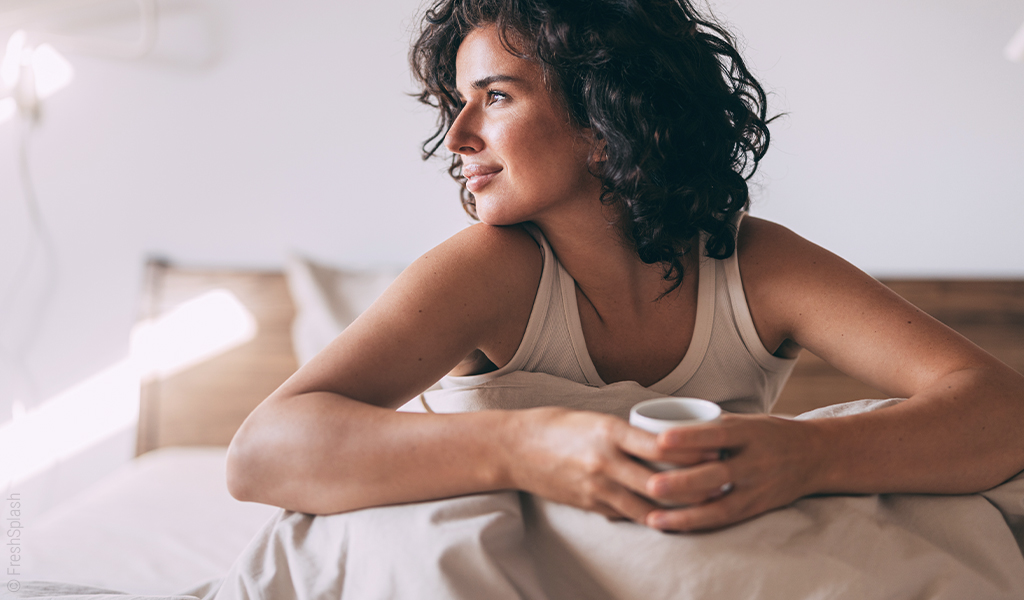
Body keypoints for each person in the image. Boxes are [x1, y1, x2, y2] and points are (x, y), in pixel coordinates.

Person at [225, 0, 1024, 533]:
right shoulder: (489, 269)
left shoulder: (753, 263)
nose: (458, 135)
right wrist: (525, 448)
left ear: (605, 116)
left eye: (495, 96)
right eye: (456, 103)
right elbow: (261, 453)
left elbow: (1001, 410)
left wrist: (812, 456)